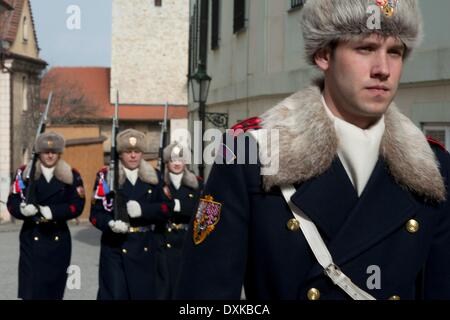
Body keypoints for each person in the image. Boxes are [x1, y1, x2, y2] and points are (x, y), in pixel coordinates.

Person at [175, 0, 450, 300]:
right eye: (365, 49)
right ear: (323, 54)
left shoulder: (434, 168)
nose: (383, 69)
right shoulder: (252, 156)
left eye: (394, 52)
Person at [90, 128, 174, 300]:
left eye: (137, 151)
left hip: (145, 247)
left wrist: (144, 210)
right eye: (128, 152)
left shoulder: (154, 177)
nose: (133, 156)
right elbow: (95, 213)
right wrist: (110, 224)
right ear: (120, 154)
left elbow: (168, 208)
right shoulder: (106, 176)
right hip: (115, 249)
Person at [7, 132, 85, 300]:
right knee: (31, 292)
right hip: (32, 237)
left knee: (54, 291)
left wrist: (53, 212)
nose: (50, 155)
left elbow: (77, 206)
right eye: (45, 151)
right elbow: (12, 202)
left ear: (60, 153)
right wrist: (22, 211)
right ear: (38, 153)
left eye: (54, 152)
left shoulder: (71, 175)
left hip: (58, 237)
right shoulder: (25, 173)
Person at [156, 142, 203, 298]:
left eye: (180, 159)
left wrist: (178, 206)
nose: (176, 163)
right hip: (163, 240)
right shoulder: (158, 183)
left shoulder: (197, 183)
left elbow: (203, 212)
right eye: (172, 160)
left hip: (185, 240)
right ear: (167, 162)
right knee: (163, 289)